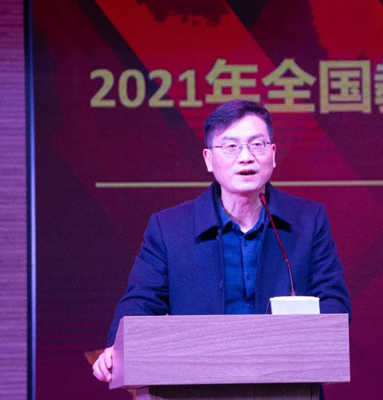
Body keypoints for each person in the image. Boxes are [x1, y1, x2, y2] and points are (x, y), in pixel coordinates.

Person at [92, 99, 351, 382]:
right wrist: (118, 348)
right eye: (231, 146)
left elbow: (333, 301)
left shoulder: (307, 221)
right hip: (194, 385)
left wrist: (318, 348)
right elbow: (140, 302)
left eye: (257, 145)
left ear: (273, 154)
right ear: (208, 159)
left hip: (287, 384)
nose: (246, 157)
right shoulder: (169, 229)